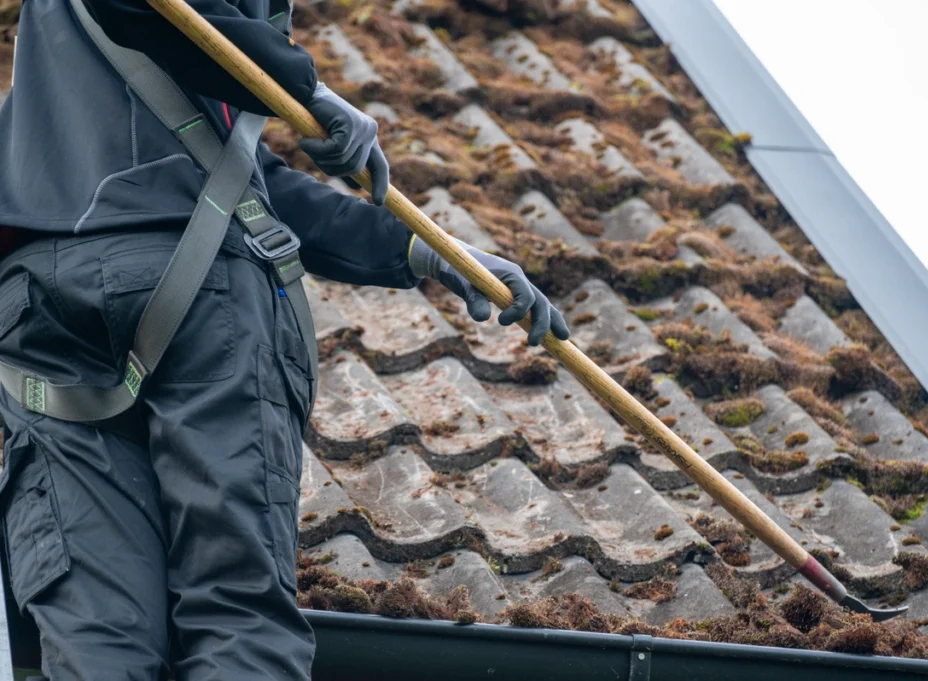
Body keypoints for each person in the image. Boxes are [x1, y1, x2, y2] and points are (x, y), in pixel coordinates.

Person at [0, 0, 569, 678]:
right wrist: (303, 86)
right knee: (238, 615)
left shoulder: (54, 51)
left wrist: (418, 248)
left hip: (45, 313)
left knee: (101, 640)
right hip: (196, 298)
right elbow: (161, 21)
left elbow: (234, 183)